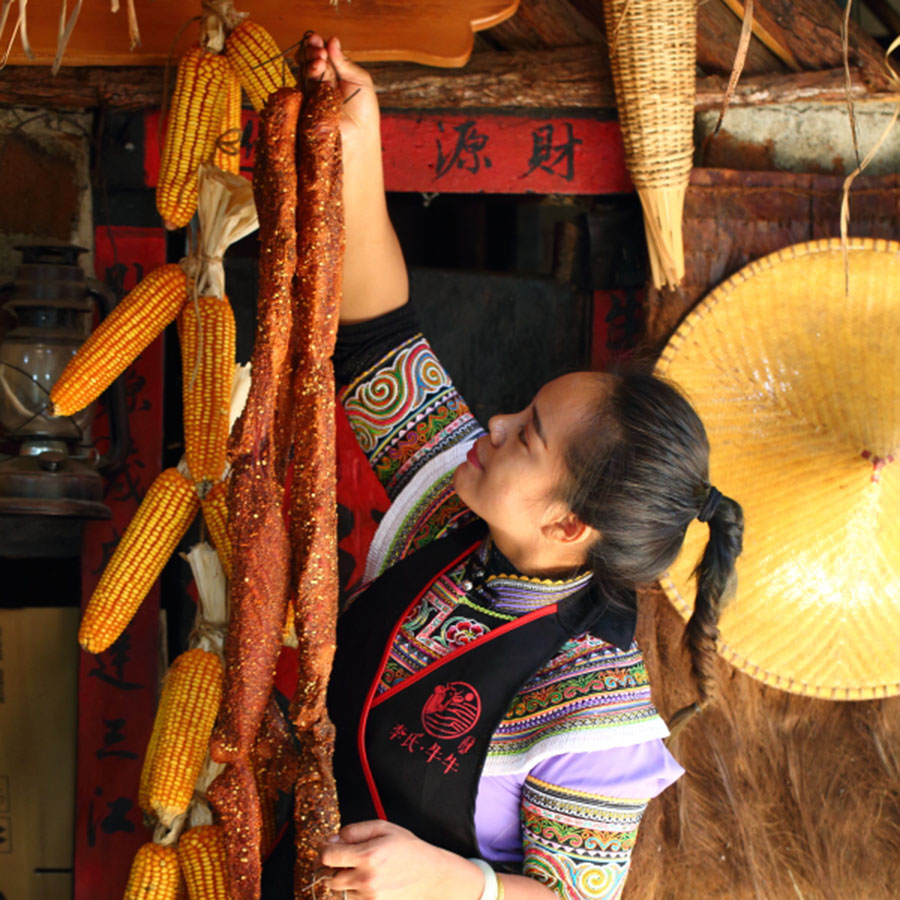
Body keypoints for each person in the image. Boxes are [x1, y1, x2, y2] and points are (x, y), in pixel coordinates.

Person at [296, 34, 744, 900]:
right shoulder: (452, 517)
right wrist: (359, 141)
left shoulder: (594, 699)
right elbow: (378, 339)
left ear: (568, 524)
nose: (493, 422)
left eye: (528, 433)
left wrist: (452, 882)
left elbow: (578, 897)